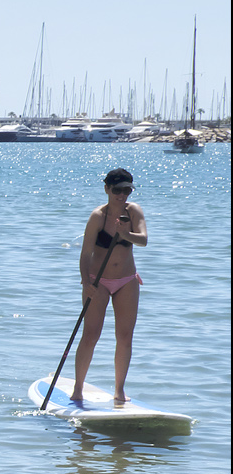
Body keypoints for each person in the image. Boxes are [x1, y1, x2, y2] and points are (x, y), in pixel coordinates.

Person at [72, 168, 148, 406]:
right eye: (117, 190)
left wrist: (127, 234)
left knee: (125, 337)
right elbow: (85, 254)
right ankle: (77, 389)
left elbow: (144, 240)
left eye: (127, 190)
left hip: (127, 281)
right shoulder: (98, 216)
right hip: (98, 281)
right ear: (107, 189)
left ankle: (119, 390)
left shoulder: (133, 211)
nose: (122, 195)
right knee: (91, 335)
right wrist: (86, 283)